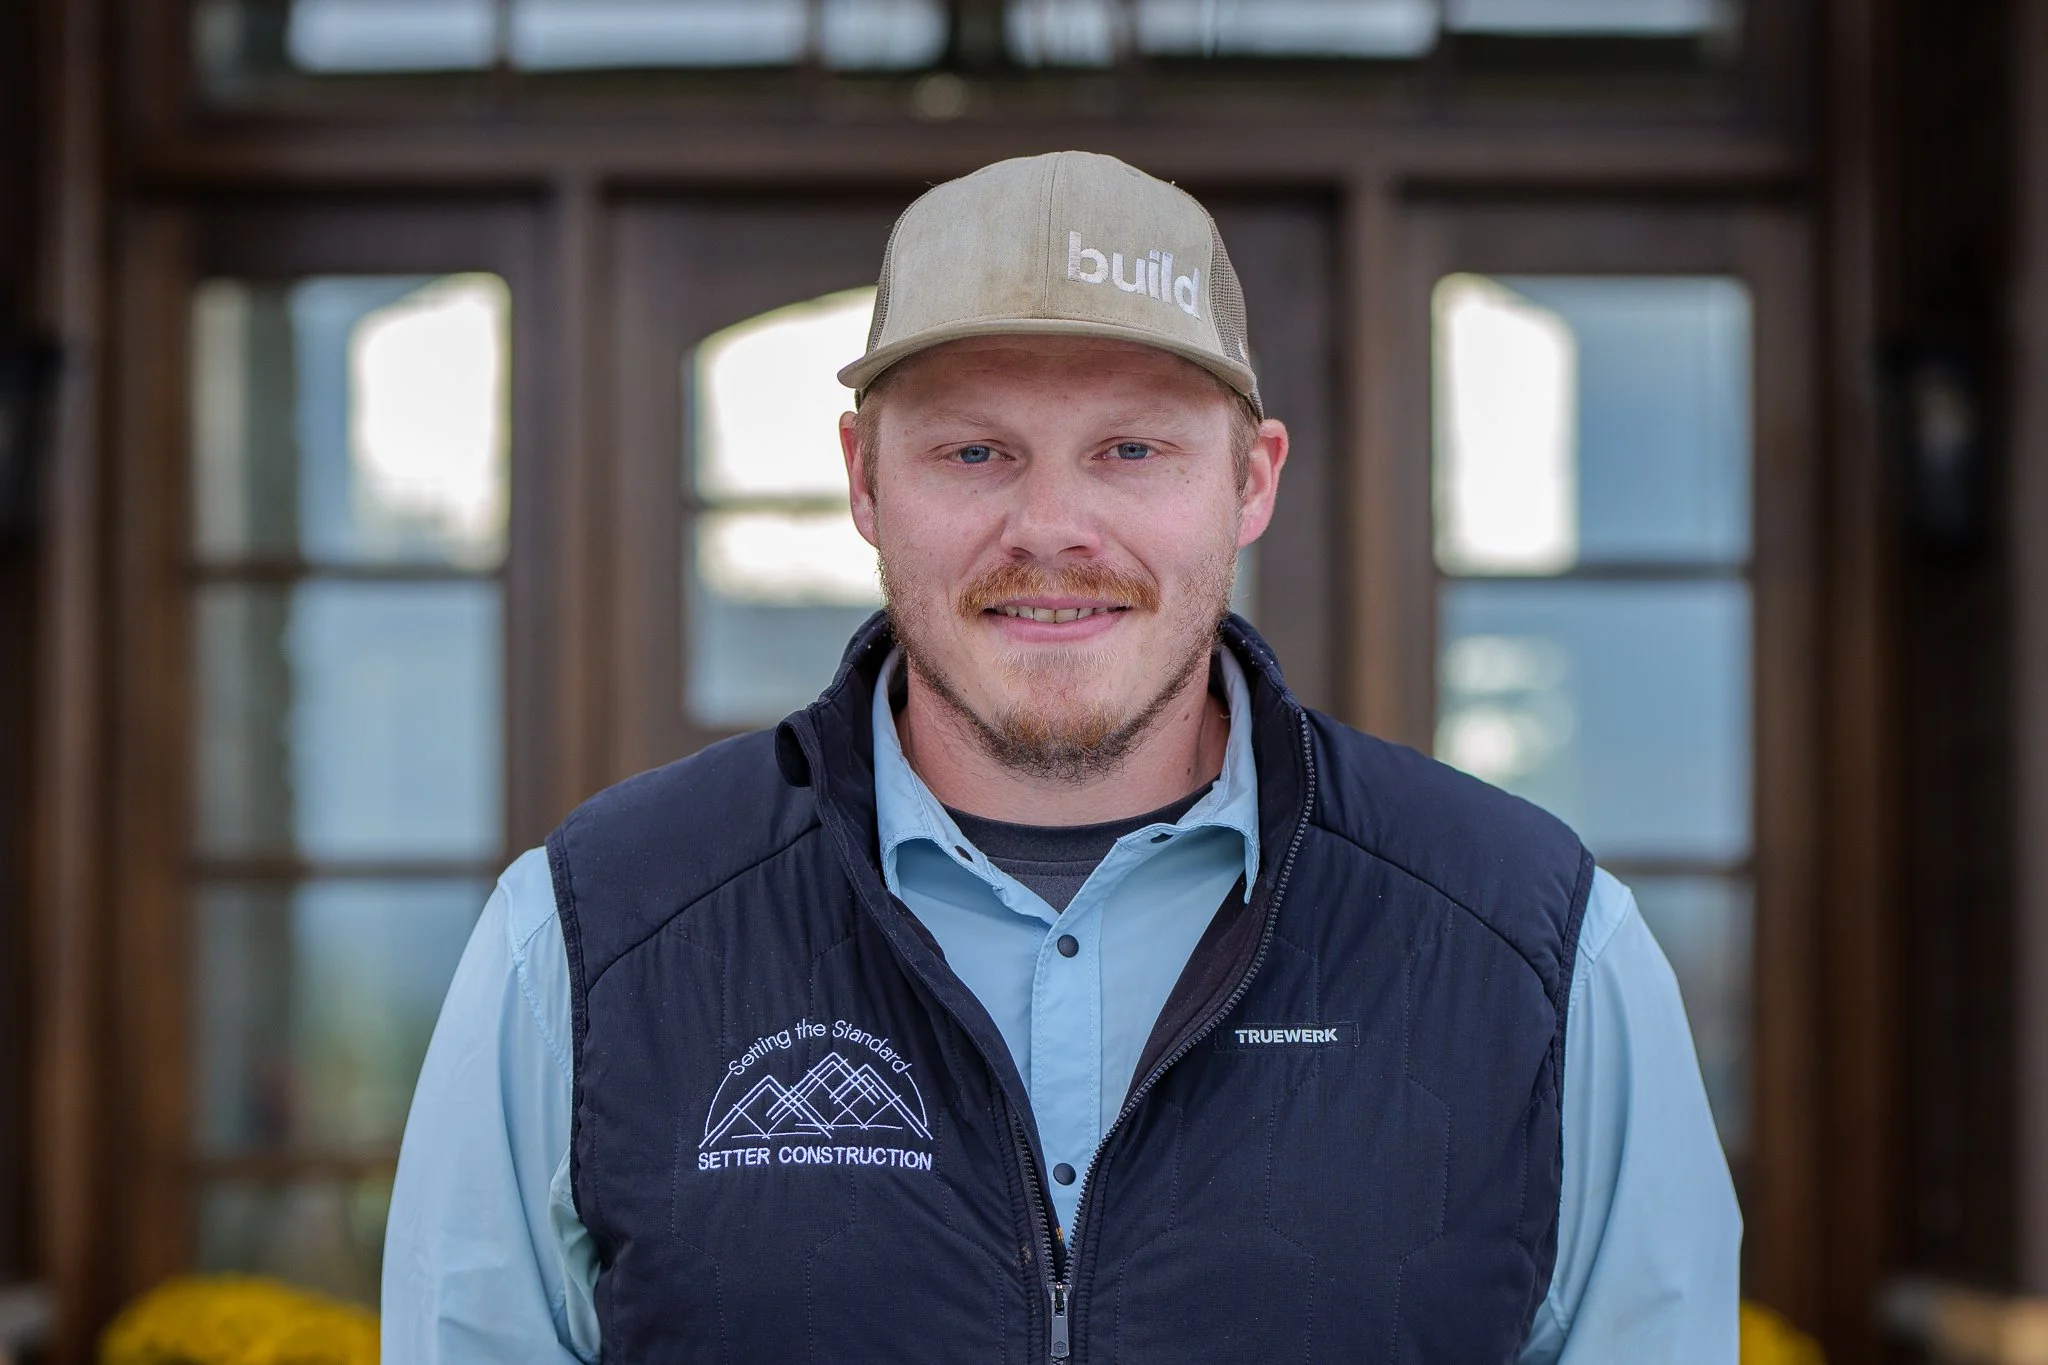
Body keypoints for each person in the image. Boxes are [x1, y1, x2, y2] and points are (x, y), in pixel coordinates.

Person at [383, 149, 1740, 1363]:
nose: (1051, 527)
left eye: (1131, 449)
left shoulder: (1538, 946)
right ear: (863, 479)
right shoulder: (586, 938)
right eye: (974, 451)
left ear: (1252, 480)